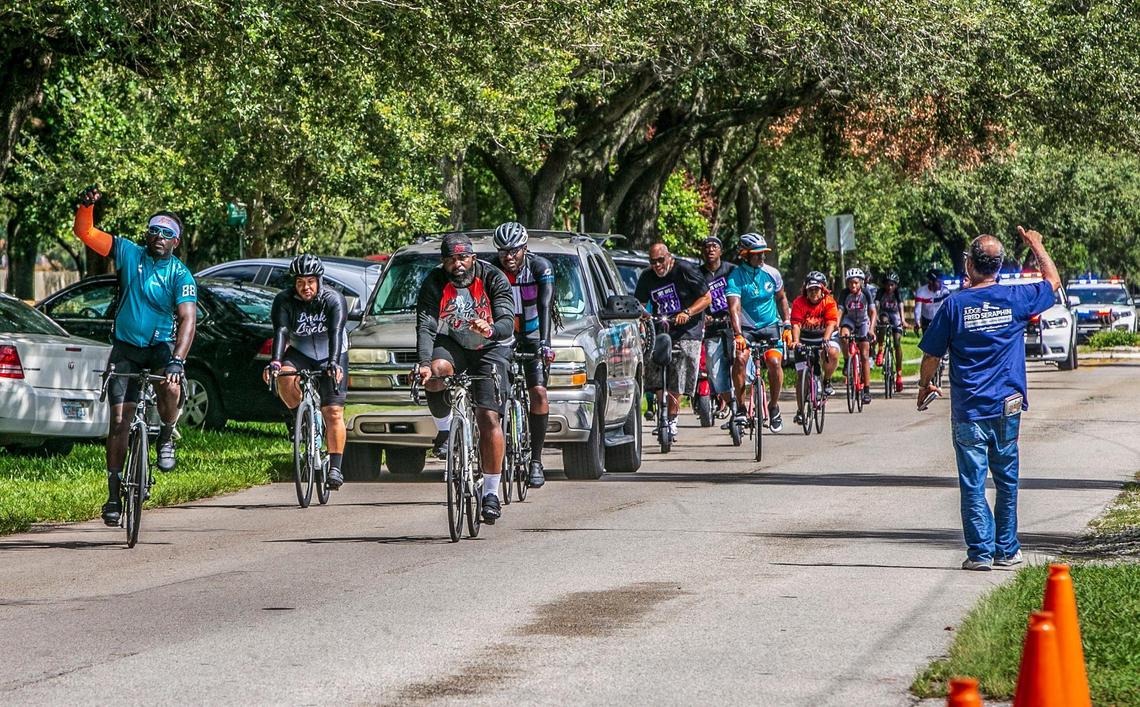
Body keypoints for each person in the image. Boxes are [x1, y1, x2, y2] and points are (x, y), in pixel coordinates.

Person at [917, 227, 1060, 571]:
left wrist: (925, 384)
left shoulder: (953, 306)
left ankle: (981, 553)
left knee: (973, 482)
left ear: (969, 266)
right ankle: (1007, 549)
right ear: (998, 266)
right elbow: (1053, 282)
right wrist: (1037, 245)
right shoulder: (1016, 299)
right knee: (1007, 479)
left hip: (969, 410)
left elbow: (932, 356)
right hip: (1006, 406)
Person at [72, 186, 197, 527]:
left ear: (176, 242)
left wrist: (177, 360)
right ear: (147, 234)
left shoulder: (180, 274)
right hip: (125, 348)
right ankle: (114, 494)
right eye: (154, 229)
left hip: (160, 349)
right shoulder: (128, 252)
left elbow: (187, 319)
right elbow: (85, 232)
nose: (159, 235)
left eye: (167, 233)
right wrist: (85, 207)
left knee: (170, 389)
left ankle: (168, 433)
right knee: (118, 423)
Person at [416, 233, 515, 523]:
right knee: (436, 373)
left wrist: (491, 328)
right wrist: (423, 362)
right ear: (443, 262)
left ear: (472, 258)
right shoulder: (434, 282)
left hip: (491, 346)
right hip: (455, 343)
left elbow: (507, 321)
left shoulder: (493, 277)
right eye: (450, 260)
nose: (457, 264)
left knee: (488, 417)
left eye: (462, 258)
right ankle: (446, 430)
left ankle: (491, 493)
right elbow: (426, 325)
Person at [263, 254, 349, 490]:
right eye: (300, 282)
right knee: (283, 377)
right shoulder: (284, 300)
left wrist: (333, 363)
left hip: (332, 352)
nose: (305, 287)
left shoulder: (333, 298)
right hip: (301, 352)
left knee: (333, 412)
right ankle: (300, 419)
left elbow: (336, 331)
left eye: (310, 281)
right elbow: (280, 331)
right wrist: (275, 363)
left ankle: (335, 467)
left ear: (319, 280)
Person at [489, 222, 556, 489]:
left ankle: (536, 460)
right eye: (503, 251)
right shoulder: (491, 268)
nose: (508, 257)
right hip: (504, 333)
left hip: (532, 331)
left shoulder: (540, 267)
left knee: (538, 393)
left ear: (525, 249)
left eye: (514, 251)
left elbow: (545, 304)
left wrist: (545, 343)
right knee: (495, 393)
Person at [634, 242, 712, 443]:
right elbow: (639, 304)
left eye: (661, 260)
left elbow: (706, 298)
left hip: (687, 327)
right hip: (662, 326)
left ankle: (672, 418)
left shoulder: (685, 270)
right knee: (650, 359)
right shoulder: (646, 277)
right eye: (653, 262)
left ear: (669, 257)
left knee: (682, 363)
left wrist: (687, 312)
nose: (657, 265)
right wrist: (643, 317)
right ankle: (660, 408)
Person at [725, 233, 791, 432]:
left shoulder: (772, 273)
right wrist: (738, 334)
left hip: (770, 326)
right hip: (746, 329)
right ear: (744, 255)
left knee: (774, 361)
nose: (762, 258)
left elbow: (781, 298)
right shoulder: (736, 277)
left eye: (764, 254)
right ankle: (741, 407)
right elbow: (734, 308)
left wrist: (787, 323)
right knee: (741, 360)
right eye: (757, 254)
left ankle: (773, 406)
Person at [789, 271, 841, 424]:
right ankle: (800, 410)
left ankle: (826, 381)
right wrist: (796, 341)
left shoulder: (829, 302)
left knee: (832, 352)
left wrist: (825, 339)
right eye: (810, 289)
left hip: (824, 336)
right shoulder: (799, 302)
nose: (813, 293)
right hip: (805, 339)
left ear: (822, 289)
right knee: (801, 376)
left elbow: (832, 322)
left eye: (816, 290)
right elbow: (796, 324)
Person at [698, 236, 736, 417]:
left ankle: (745, 401)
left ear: (721, 251)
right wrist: (702, 317)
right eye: (706, 247)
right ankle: (732, 403)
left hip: (734, 327)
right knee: (713, 371)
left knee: (741, 364)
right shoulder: (697, 274)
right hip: (712, 329)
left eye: (714, 246)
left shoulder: (732, 271)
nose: (710, 250)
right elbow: (692, 299)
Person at [838, 268, 876, 406]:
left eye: (855, 283)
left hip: (863, 322)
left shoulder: (866, 292)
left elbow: (873, 312)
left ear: (861, 282)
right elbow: (840, 310)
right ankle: (847, 360)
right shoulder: (844, 293)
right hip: (849, 321)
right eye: (850, 283)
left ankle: (866, 390)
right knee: (843, 335)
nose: (853, 286)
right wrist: (837, 325)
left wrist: (871, 329)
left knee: (865, 355)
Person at [874, 271, 908, 393]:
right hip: (884, 314)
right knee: (883, 322)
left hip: (895, 316)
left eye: (892, 285)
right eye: (887, 284)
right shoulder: (880, 292)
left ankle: (899, 375)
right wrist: (876, 318)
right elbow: (876, 305)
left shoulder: (898, 293)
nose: (889, 287)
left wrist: (903, 321)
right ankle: (880, 350)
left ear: (896, 285)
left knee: (897, 342)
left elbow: (901, 306)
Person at [914, 268, 951, 335]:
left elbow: (948, 307)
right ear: (931, 281)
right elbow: (918, 309)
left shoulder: (945, 291)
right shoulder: (921, 291)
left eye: (941, 281)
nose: (941, 284)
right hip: (926, 319)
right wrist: (917, 322)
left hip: (940, 318)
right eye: (938, 281)